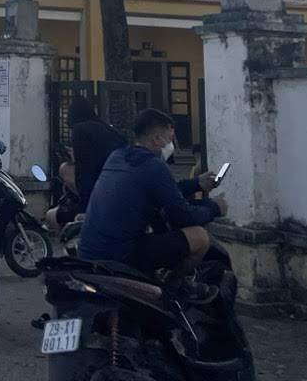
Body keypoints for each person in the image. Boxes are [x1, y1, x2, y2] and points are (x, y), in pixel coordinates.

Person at [78, 108, 225, 287]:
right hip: (121, 255)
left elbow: (165, 190)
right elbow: (183, 216)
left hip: (88, 252)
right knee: (199, 238)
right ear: (157, 139)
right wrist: (214, 208)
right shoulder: (153, 165)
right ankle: (172, 288)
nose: (171, 146)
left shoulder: (117, 157)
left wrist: (197, 184)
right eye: (170, 139)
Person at [69, 95, 126, 209]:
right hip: (120, 184)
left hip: (100, 192)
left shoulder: (80, 130)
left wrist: (85, 206)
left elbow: (84, 169)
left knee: (65, 168)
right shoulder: (105, 128)